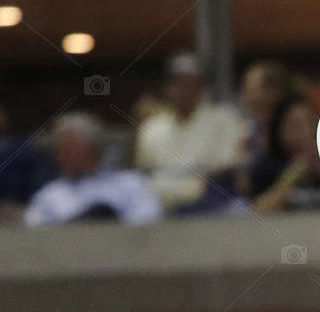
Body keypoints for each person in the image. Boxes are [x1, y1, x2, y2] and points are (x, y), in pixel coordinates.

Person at [133, 51, 248, 214]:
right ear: (167, 87)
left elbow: (227, 166)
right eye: (179, 83)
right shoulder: (152, 127)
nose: (185, 91)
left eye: (192, 84)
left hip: (209, 200)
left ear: (201, 88)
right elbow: (144, 171)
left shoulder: (224, 119)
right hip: (157, 203)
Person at [23, 112, 161, 228]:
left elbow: (148, 221)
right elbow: (32, 233)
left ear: (90, 146)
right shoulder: (49, 195)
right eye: (57, 150)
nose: (60, 156)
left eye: (67, 148)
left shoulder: (130, 184)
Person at [246, 95, 320, 213]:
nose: (305, 132)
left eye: (310, 123)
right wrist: (291, 177)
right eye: (295, 125)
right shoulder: (265, 167)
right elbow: (256, 213)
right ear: (279, 130)